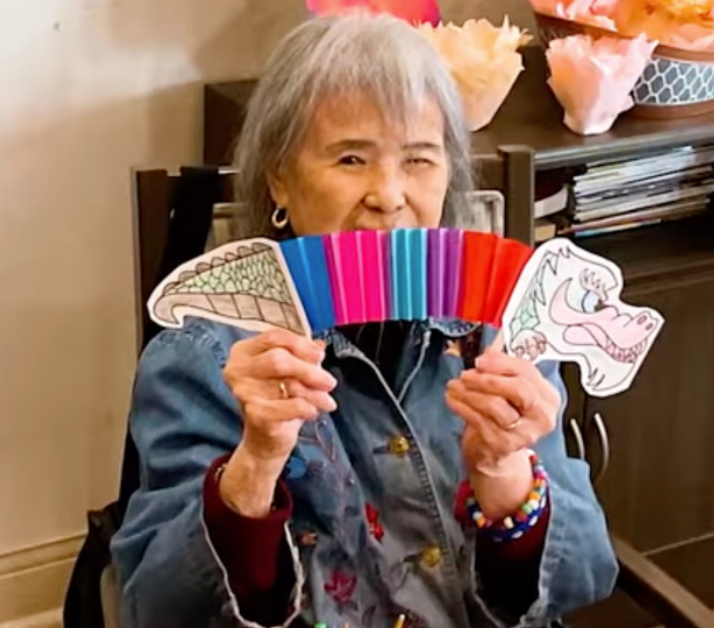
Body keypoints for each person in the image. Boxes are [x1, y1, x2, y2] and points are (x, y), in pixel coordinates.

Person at [110, 12, 618, 628]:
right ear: (280, 179)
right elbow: (154, 609)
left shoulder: (505, 330)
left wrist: (505, 474)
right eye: (351, 158)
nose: (389, 194)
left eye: (420, 160)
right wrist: (256, 464)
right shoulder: (205, 356)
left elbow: (586, 576)